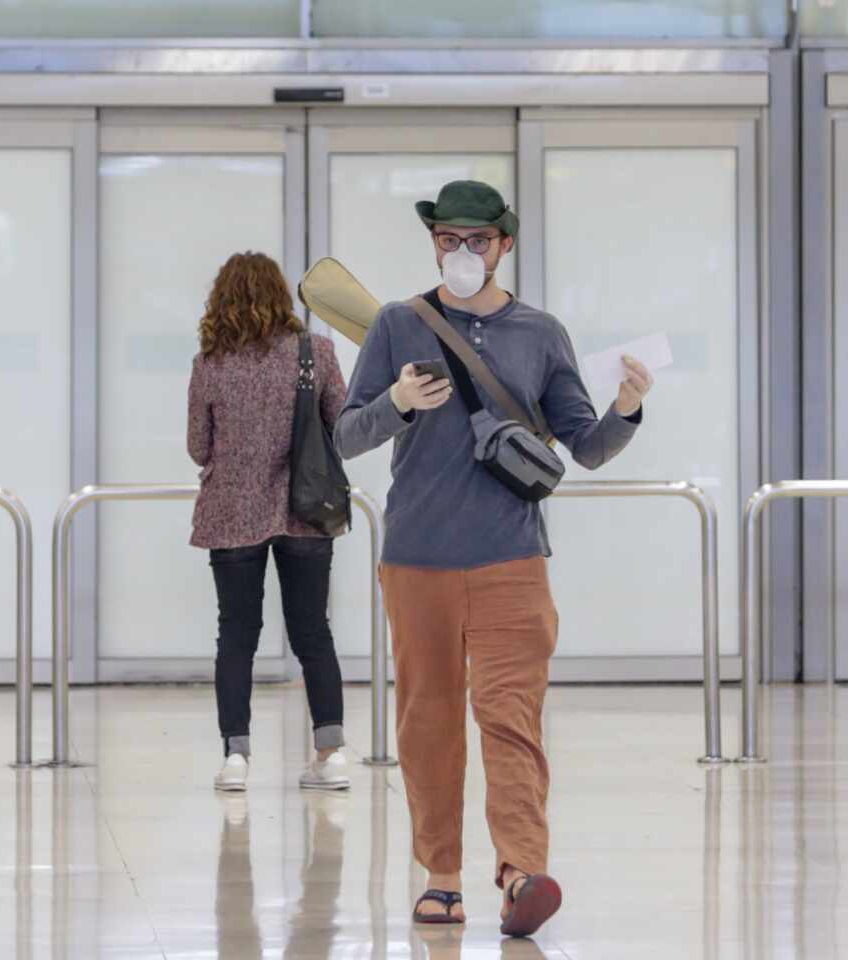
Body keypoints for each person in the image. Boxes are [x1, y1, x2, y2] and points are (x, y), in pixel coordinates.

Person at [334, 180, 654, 938]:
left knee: (511, 718)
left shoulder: (541, 333)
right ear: (435, 243)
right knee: (428, 719)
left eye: (477, 239)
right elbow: (347, 436)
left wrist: (629, 409)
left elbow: (588, 447)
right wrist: (398, 405)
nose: (462, 252)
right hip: (418, 557)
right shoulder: (395, 324)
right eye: (449, 238)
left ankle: (520, 871)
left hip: (513, 557)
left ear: (504, 244)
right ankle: (441, 875)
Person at [188, 251, 352, 793]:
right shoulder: (316, 353)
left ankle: (236, 758)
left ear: (223, 299)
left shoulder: (210, 363)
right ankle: (331, 754)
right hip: (306, 512)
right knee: (312, 632)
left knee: (236, 634)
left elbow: (197, 448)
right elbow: (343, 428)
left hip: (232, 513)